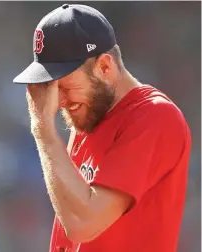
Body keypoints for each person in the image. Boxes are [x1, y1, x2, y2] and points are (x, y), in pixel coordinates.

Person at [13, 4, 191, 252]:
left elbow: (83, 225)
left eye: (64, 86)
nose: (58, 102)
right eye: (50, 89)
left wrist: (43, 130)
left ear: (105, 67)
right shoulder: (90, 116)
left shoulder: (155, 117)